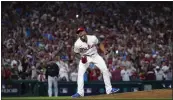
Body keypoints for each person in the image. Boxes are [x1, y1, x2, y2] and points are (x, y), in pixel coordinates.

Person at [71, 27, 119, 98]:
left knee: (105, 70)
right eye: (78, 32)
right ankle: (80, 93)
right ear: (78, 35)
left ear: (85, 32)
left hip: (95, 56)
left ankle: (109, 90)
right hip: (85, 57)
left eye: (81, 31)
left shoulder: (93, 38)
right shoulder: (77, 43)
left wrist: (104, 51)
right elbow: (75, 53)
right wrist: (81, 58)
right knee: (80, 74)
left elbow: (99, 44)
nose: (80, 33)